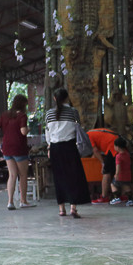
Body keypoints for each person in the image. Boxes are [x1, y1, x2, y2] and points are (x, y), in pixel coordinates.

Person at [43, 88, 91, 218]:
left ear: (54, 99)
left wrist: (49, 148)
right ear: (67, 98)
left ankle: (61, 209)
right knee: (73, 177)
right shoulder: (73, 112)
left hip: (55, 148)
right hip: (70, 147)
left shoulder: (49, 114)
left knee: (59, 178)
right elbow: (78, 129)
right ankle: (73, 208)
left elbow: (47, 133)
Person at [0, 94, 34, 209]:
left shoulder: (5, 115)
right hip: (19, 148)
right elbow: (23, 132)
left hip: (7, 148)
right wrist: (29, 128)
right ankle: (23, 201)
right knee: (22, 175)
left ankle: (10, 202)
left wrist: (0, 143)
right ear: (22, 105)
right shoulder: (22, 116)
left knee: (12, 175)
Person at [87, 127, 119, 203]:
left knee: (106, 172)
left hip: (112, 146)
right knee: (114, 169)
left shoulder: (87, 136)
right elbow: (95, 153)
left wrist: (103, 163)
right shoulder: (91, 132)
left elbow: (95, 150)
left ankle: (104, 196)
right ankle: (122, 194)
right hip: (116, 142)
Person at [109, 136, 133, 206]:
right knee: (127, 187)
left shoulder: (118, 156)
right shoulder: (127, 154)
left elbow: (118, 166)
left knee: (113, 185)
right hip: (128, 175)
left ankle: (116, 198)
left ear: (118, 147)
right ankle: (130, 201)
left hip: (120, 175)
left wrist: (116, 175)